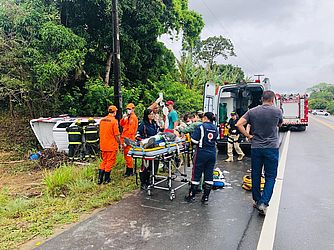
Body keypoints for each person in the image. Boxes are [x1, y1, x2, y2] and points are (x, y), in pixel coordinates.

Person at [236, 90, 283, 215]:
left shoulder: (252, 111)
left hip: (256, 147)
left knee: (256, 174)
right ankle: (264, 202)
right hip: (272, 148)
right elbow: (280, 124)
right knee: (270, 176)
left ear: (262, 99)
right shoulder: (277, 111)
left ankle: (257, 200)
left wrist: (249, 136)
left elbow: (239, 124)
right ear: (272, 100)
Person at [185, 112, 218, 204]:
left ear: (205, 118)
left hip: (201, 152)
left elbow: (194, 140)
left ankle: (192, 196)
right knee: (209, 174)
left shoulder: (201, 127)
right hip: (212, 153)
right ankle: (205, 197)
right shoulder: (215, 128)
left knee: (196, 173)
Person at [98, 105, 122, 185]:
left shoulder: (102, 120)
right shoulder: (114, 121)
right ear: (115, 112)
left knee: (104, 161)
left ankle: (99, 179)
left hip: (103, 145)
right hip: (111, 145)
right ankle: (106, 179)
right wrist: (120, 143)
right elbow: (117, 135)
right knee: (110, 162)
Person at [136, 109, 160, 189]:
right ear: (147, 115)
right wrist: (143, 141)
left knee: (155, 162)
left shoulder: (154, 123)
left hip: (155, 146)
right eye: (150, 114)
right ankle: (143, 183)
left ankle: (152, 177)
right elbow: (138, 135)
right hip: (146, 147)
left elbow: (158, 132)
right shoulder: (143, 124)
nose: (152, 115)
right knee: (146, 165)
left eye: (153, 114)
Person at [120, 103, 139, 177]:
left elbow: (131, 131)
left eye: (130, 109)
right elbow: (121, 124)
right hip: (125, 138)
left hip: (129, 139)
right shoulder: (128, 117)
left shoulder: (133, 118)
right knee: (126, 155)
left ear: (133, 109)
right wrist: (123, 118)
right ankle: (129, 170)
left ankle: (130, 171)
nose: (128, 110)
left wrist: (126, 142)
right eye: (127, 109)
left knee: (128, 156)